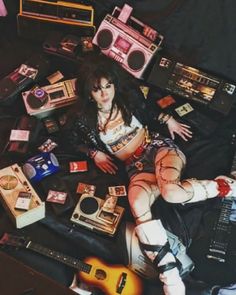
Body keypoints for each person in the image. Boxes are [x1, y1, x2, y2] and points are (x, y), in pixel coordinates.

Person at [65, 53, 236, 295]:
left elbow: (149, 110)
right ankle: (171, 276)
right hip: (134, 168)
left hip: (156, 148)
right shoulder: (82, 120)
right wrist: (95, 154)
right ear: (88, 93)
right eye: (97, 89)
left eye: (108, 86)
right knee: (136, 202)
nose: (105, 93)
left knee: (171, 193)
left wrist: (169, 120)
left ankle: (225, 187)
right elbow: (70, 140)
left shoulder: (128, 99)